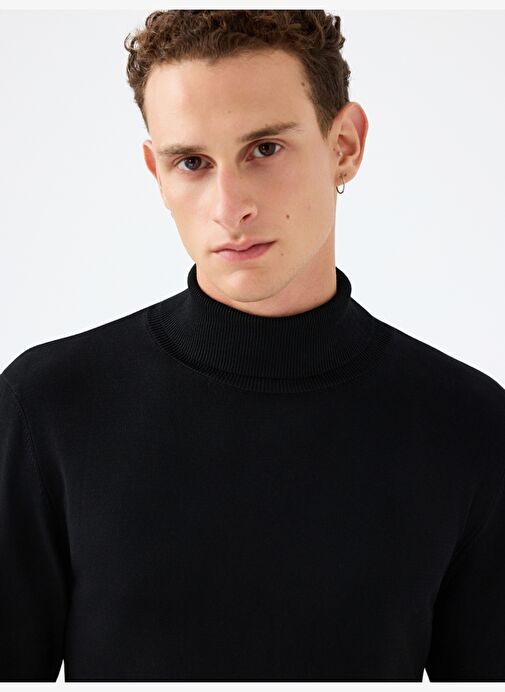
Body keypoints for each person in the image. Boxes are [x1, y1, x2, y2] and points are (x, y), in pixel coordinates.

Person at [1, 10, 504, 682]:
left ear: (344, 145)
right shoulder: (47, 407)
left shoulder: (468, 424)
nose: (228, 205)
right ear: (157, 173)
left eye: (264, 149)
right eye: (192, 162)